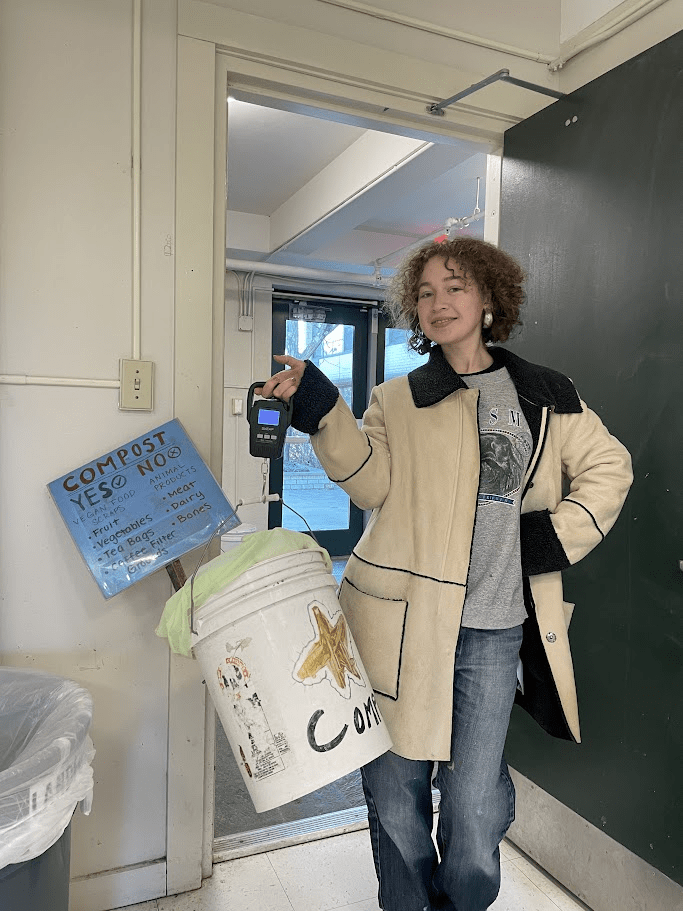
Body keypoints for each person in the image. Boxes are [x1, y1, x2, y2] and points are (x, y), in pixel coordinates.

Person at [256, 236, 633, 911]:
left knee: (475, 805)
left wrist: (548, 538)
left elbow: (609, 467)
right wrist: (320, 408)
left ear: (489, 297)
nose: (438, 302)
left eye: (455, 286)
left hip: (493, 630)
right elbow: (369, 484)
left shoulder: (546, 393)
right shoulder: (396, 398)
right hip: (396, 627)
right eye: (425, 292)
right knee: (395, 793)